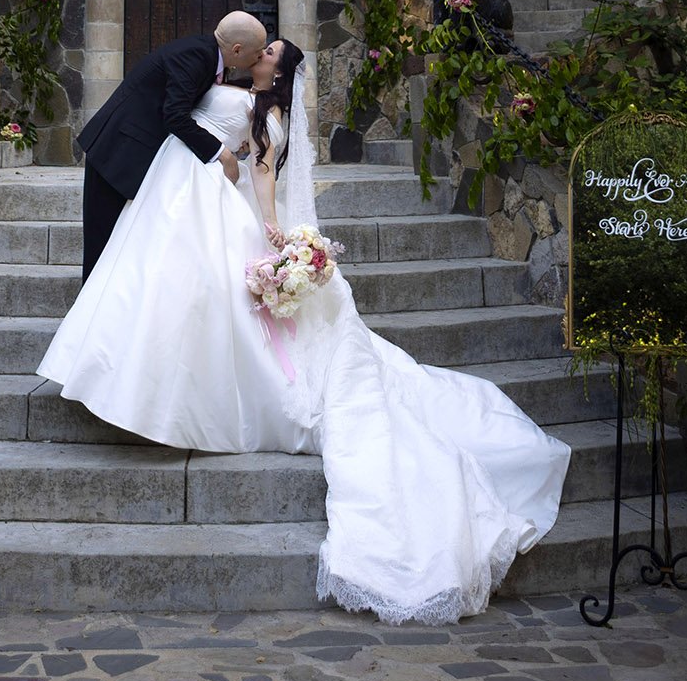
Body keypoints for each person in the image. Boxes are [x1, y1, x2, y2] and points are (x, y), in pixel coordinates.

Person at [41, 36, 571, 624]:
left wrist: (273, 229)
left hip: (225, 210)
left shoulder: (265, 112)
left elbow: (262, 171)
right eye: (260, 47)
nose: (259, 53)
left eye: (268, 51)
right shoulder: (244, 94)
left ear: (277, 67)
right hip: (199, 203)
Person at [75, 11, 267, 279]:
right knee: (102, 246)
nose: (260, 57)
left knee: (123, 247)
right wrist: (222, 154)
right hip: (117, 153)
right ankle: (89, 319)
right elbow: (175, 115)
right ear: (237, 49)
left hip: (136, 154)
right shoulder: (197, 56)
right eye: (258, 51)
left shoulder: (207, 55)